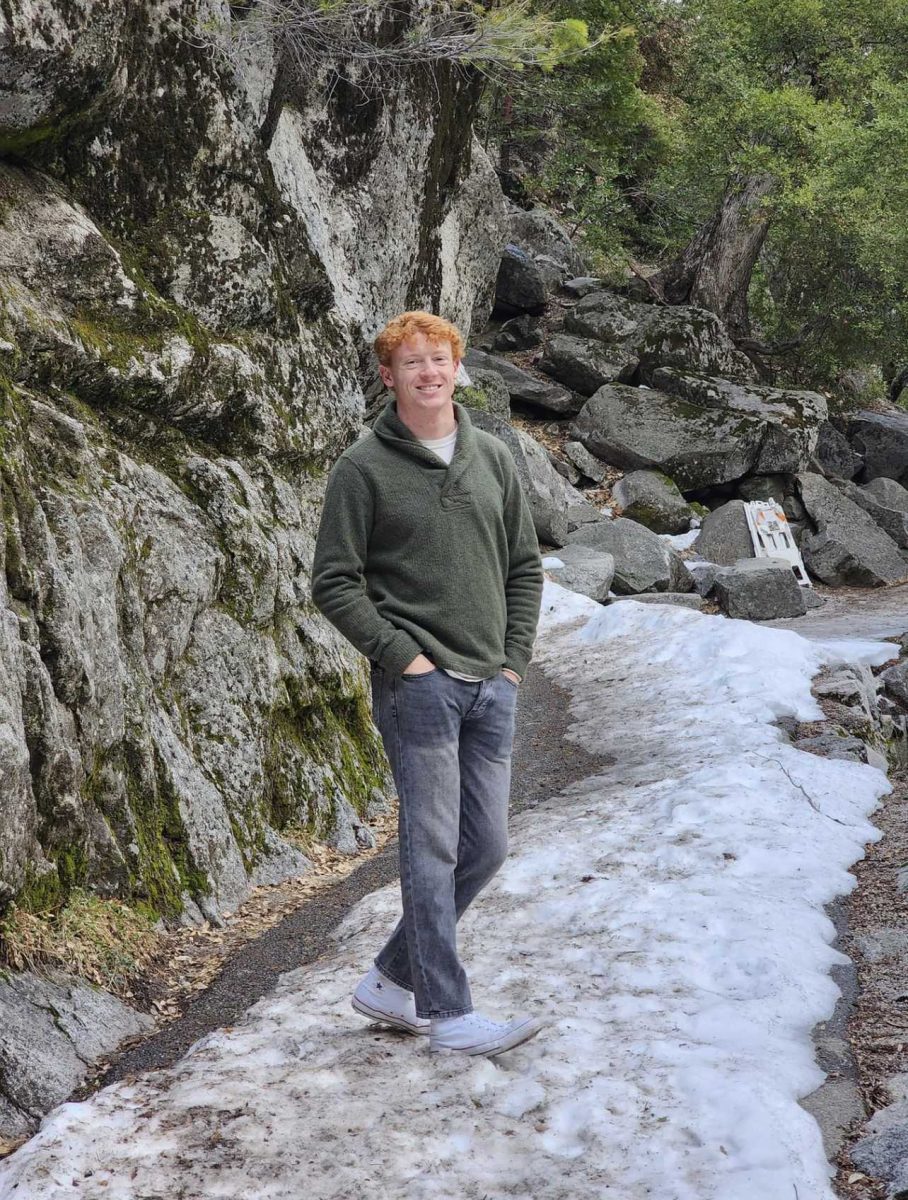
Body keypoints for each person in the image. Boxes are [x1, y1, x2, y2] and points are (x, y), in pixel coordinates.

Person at [311, 310, 544, 1057]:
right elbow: (335, 582)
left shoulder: (493, 458)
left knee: (488, 847)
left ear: (457, 367)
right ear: (389, 377)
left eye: (438, 359)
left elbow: (524, 569)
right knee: (431, 846)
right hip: (420, 689)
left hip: (490, 685)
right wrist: (402, 656)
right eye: (411, 363)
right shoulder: (362, 469)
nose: (427, 373)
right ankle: (446, 1012)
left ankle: (388, 978)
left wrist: (512, 662)